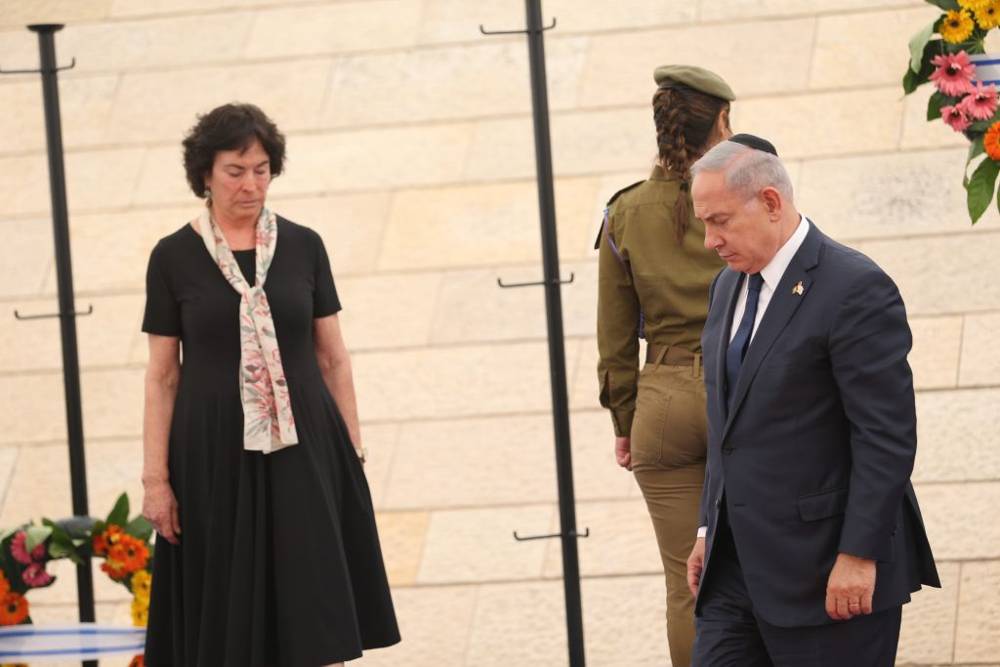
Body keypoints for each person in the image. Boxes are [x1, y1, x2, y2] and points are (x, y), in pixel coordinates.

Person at [140, 103, 400, 666]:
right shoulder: (172, 257)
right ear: (204, 174)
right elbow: (163, 376)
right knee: (227, 615)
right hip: (211, 453)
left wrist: (350, 453)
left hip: (305, 448)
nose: (250, 183)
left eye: (261, 169)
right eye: (236, 170)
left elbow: (333, 359)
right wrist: (155, 480)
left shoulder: (304, 246)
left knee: (310, 604)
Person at [685, 135, 940, 665]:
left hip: (828, 575)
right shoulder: (725, 288)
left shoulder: (854, 288)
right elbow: (726, 422)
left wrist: (858, 554)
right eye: (704, 222)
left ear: (771, 203)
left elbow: (885, 437)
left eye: (721, 220)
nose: (710, 240)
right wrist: (709, 526)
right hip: (734, 572)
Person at [596, 64, 734, 666]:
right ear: (721, 122)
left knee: (687, 584)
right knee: (767, 568)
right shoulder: (742, 197)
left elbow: (615, 338)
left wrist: (624, 421)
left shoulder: (624, 211)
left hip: (662, 403)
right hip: (742, 390)